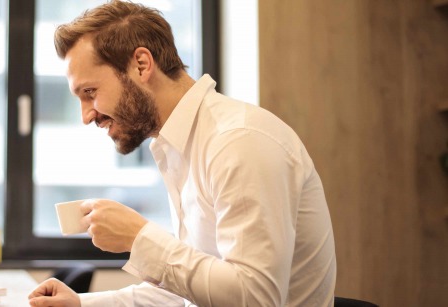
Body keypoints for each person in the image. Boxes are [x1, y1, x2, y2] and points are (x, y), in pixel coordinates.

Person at [28, 1, 337, 306]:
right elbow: (188, 292)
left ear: (141, 65)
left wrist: (140, 238)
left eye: (90, 93)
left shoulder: (239, 141)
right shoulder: (177, 146)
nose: (86, 116)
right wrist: (81, 304)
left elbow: (255, 298)